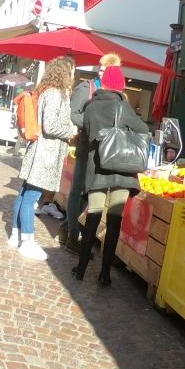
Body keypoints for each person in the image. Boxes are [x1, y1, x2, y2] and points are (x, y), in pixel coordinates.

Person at [72, 65, 149, 286]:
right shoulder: (124, 107)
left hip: (97, 168)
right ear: (121, 86)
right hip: (122, 171)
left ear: (103, 84)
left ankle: (81, 268)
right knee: (114, 221)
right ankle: (104, 274)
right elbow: (143, 130)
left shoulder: (91, 107)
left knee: (93, 216)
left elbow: (87, 131)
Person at [8, 56, 76, 260]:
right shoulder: (55, 93)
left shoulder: (46, 90)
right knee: (31, 197)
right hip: (45, 153)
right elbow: (51, 125)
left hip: (40, 150)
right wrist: (71, 130)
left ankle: (16, 234)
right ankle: (27, 240)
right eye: (72, 71)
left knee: (24, 194)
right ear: (65, 72)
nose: (74, 75)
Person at [64, 52, 119, 250]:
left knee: (89, 194)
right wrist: (91, 122)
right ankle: (72, 235)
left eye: (106, 70)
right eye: (100, 69)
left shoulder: (116, 94)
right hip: (86, 147)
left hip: (103, 152)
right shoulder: (86, 88)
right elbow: (72, 114)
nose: (101, 72)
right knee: (78, 191)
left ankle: (66, 227)